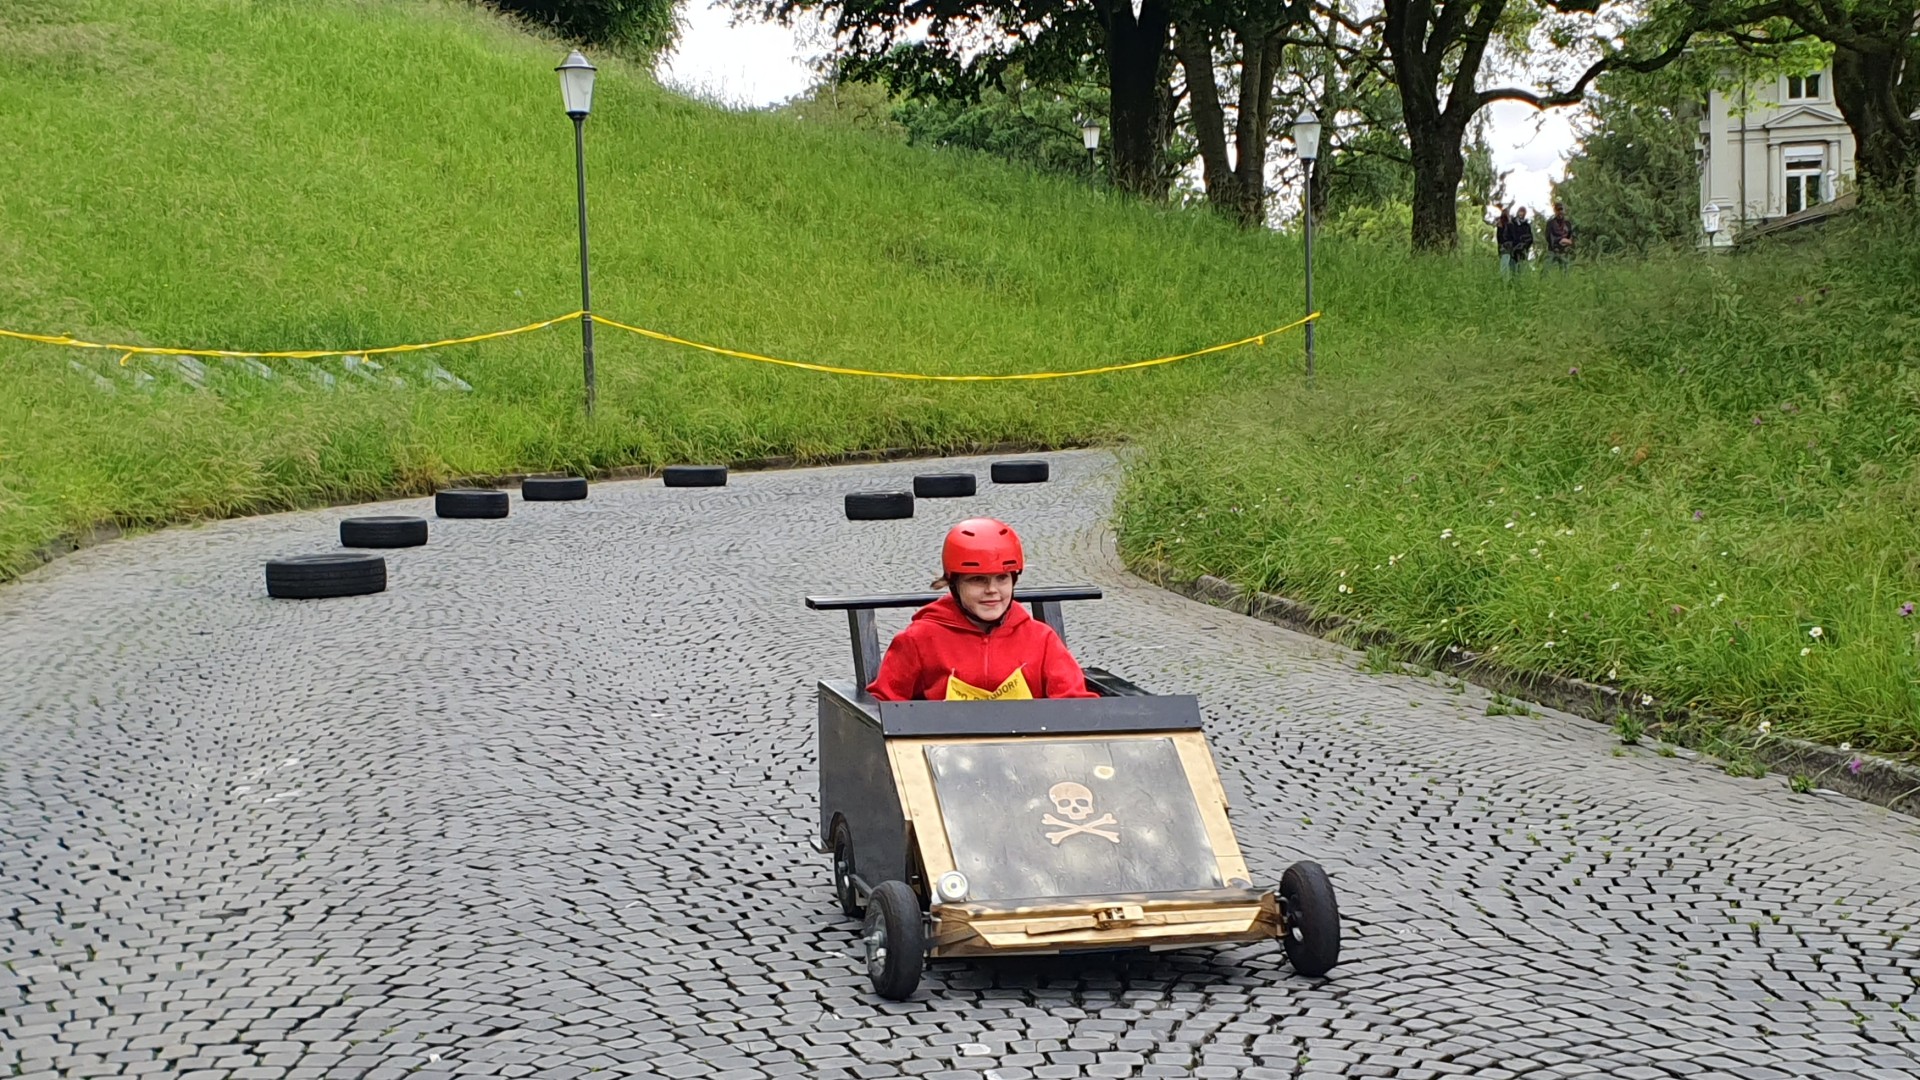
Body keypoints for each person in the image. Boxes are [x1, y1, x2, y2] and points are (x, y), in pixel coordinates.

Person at [867, 517, 1097, 702]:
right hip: (944, 745)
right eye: (977, 580)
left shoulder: (1041, 639)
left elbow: (1075, 704)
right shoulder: (918, 639)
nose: (992, 590)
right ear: (954, 584)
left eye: (1002, 578)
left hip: (1028, 745)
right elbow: (882, 706)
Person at [1546, 203, 1574, 273]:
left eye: (1561, 210)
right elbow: (1548, 237)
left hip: (1565, 251)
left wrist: (1568, 242)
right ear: (1555, 211)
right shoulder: (1551, 223)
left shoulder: (1567, 224)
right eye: (1558, 210)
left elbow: (1571, 236)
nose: (1560, 212)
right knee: (1547, 269)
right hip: (1553, 250)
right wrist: (1560, 240)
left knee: (1566, 271)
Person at [1509, 207, 1535, 274]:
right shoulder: (1512, 224)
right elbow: (1508, 236)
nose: (1521, 213)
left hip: (1522, 251)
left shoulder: (1527, 226)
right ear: (1518, 212)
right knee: (1512, 270)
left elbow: (1530, 238)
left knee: (1521, 270)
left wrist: (1523, 245)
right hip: (1512, 250)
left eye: (1523, 212)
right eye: (1520, 212)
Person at [1494, 207, 1515, 276]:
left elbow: (1511, 236)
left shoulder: (1509, 224)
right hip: (1505, 248)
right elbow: (1499, 238)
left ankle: (1505, 279)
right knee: (1505, 265)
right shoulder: (1502, 225)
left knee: (1505, 265)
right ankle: (1505, 280)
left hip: (1507, 248)